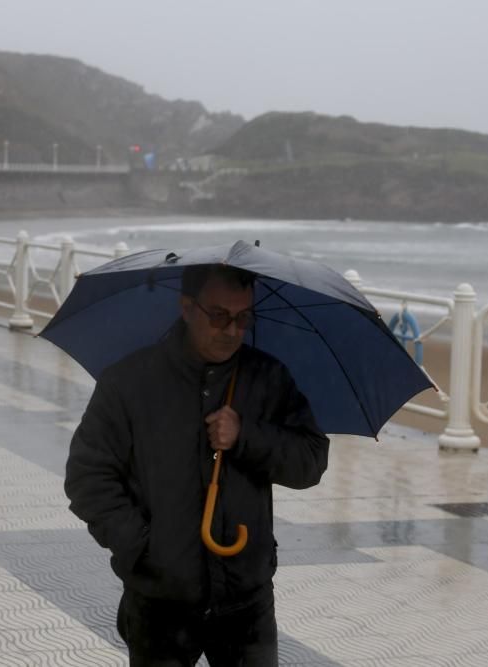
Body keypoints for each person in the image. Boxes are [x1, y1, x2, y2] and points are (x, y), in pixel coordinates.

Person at [66, 264, 330, 666]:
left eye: (244, 318)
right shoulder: (130, 382)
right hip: (159, 601)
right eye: (219, 316)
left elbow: (311, 461)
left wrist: (246, 436)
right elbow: (88, 476)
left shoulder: (268, 378)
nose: (232, 331)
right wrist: (144, 548)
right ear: (187, 308)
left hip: (246, 601)